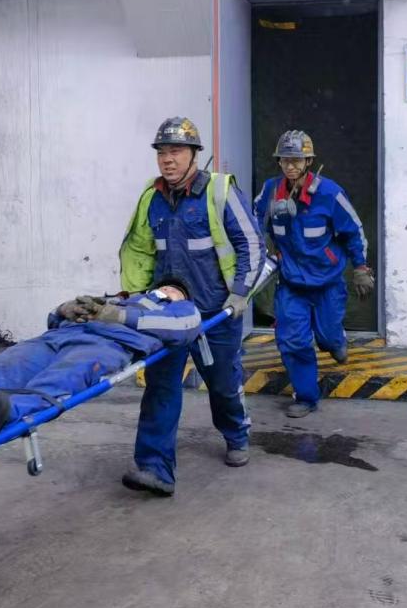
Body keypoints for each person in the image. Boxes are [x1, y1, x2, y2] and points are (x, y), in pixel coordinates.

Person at [118, 116, 265, 495]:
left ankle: (236, 433)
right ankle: (154, 468)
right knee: (160, 386)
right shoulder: (151, 198)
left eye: (176, 151)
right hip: (167, 313)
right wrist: (135, 298)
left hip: (215, 313)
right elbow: (140, 251)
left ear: (194, 155)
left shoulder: (219, 192)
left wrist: (240, 293)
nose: (167, 159)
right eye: (162, 152)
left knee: (222, 384)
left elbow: (251, 245)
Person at [254, 130, 374, 418]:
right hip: (291, 284)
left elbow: (353, 231)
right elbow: (251, 223)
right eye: (285, 160)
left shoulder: (329, 194)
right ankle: (306, 397)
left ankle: (334, 340)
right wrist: (260, 251)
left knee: (328, 337)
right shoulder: (271, 192)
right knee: (292, 341)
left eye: (297, 160)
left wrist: (360, 268)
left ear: (308, 161)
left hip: (327, 283)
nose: (290, 166)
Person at [0, 281, 203, 423]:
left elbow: (182, 328)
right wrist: (63, 309)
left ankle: (6, 413)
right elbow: (54, 319)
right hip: (62, 335)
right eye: (164, 286)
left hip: (109, 344)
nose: (168, 289)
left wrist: (118, 316)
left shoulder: (181, 309)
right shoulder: (118, 299)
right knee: (6, 365)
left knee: (60, 379)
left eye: (175, 290)